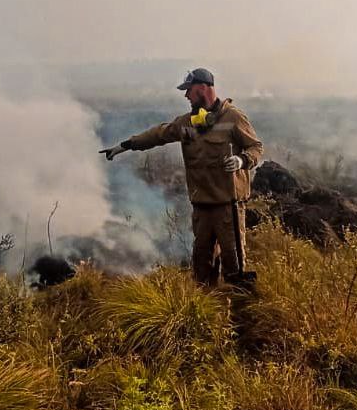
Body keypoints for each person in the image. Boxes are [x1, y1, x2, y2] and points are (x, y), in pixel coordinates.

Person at [100, 68, 264, 285]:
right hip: (202, 206)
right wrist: (124, 146)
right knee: (202, 267)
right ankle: (207, 311)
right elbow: (159, 134)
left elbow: (256, 147)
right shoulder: (188, 122)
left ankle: (240, 309)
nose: (186, 96)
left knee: (234, 265)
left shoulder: (233, 117)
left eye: (189, 90)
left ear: (203, 88)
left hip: (228, 206)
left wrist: (242, 160)